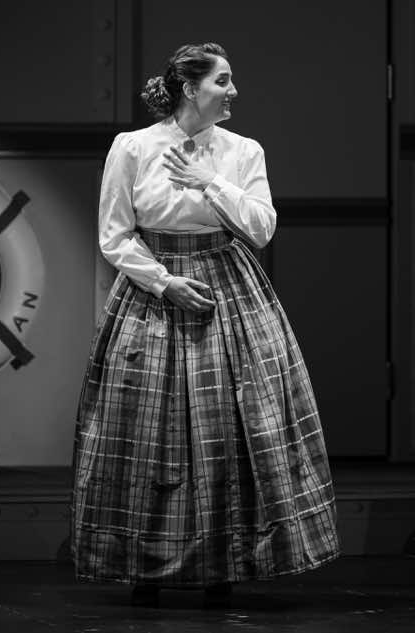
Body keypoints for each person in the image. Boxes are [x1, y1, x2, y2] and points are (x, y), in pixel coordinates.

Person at [70, 42, 341, 609]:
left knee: (231, 426)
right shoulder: (134, 147)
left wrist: (207, 181)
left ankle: (226, 565)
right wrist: (164, 282)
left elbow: (261, 228)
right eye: (223, 80)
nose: (233, 90)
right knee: (148, 426)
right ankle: (143, 568)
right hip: (154, 289)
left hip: (228, 285)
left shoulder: (242, 151)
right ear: (191, 89)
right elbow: (115, 235)